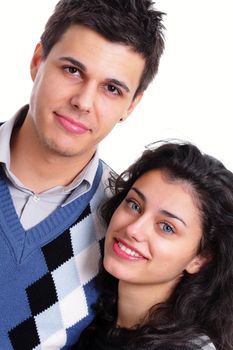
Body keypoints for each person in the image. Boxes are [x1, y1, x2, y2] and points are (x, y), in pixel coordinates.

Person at [0, 1, 165, 349]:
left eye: (112, 89)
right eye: (73, 70)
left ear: (131, 106)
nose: (84, 101)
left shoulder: (125, 233)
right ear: (37, 61)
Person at [76, 141, 233, 350]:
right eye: (134, 205)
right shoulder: (93, 316)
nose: (133, 229)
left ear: (200, 259)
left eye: (166, 227)